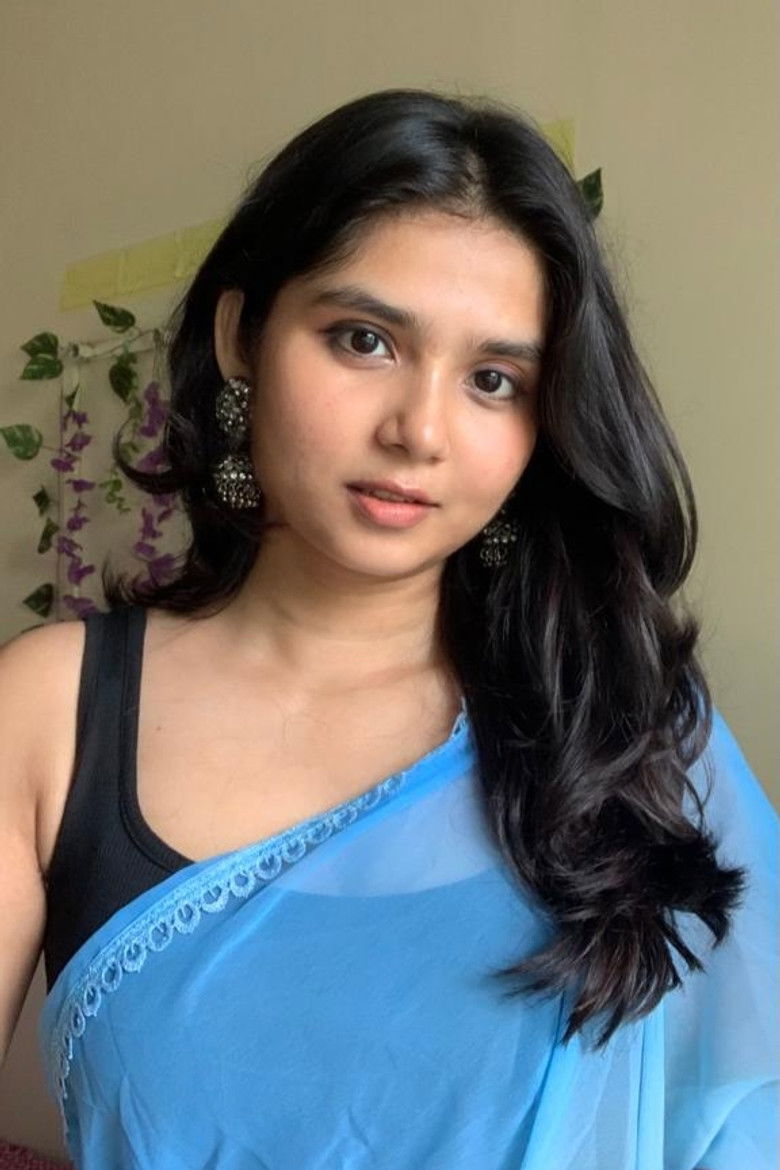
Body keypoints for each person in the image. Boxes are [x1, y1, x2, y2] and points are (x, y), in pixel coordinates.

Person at [0, 87, 776, 1169]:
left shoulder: (626, 728)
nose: (420, 430)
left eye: (494, 381)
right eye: (364, 340)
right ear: (241, 336)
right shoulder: (49, 712)